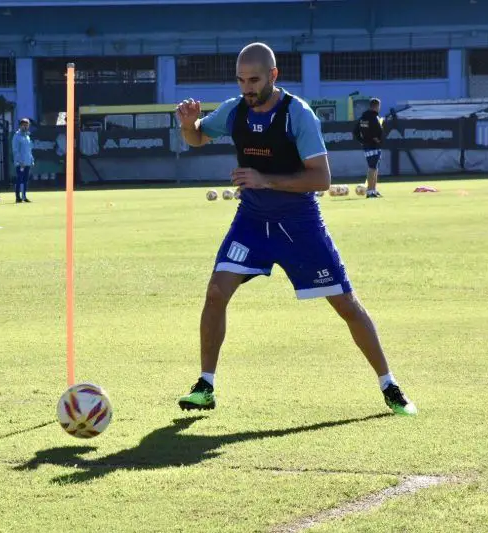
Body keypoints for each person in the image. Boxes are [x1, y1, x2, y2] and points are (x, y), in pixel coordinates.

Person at [175, 43, 417, 416]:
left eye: (254, 80)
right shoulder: (235, 110)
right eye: (240, 80)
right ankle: (205, 385)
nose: (246, 88)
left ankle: (390, 386)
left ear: (274, 75)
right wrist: (188, 124)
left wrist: (263, 178)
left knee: (346, 305)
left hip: (299, 226)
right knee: (215, 292)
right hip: (252, 222)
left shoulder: (297, 115)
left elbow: (321, 179)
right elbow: (197, 138)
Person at [353, 98, 384, 198]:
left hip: (367, 145)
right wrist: (377, 140)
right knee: (372, 168)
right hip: (374, 146)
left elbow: (355, 131)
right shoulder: (374, 118)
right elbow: (376, 131)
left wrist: (362, 141)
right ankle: (370, 191)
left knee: (374, 167)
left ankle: (373, 189)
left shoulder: (363, 117)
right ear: (377, 106)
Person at [12, 118, 35, 203]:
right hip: (20, 163)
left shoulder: (27, 136)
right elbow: (15, 150)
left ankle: (24, 197)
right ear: (20, 126)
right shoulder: (16, 136)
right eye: (24, 125)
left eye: (27, 125)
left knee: (25, 180)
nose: (26, 127)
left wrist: (32, 159)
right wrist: (19, 161)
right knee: (19, 179)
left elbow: (29, 149)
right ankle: (18, 197)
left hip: (27, 161)